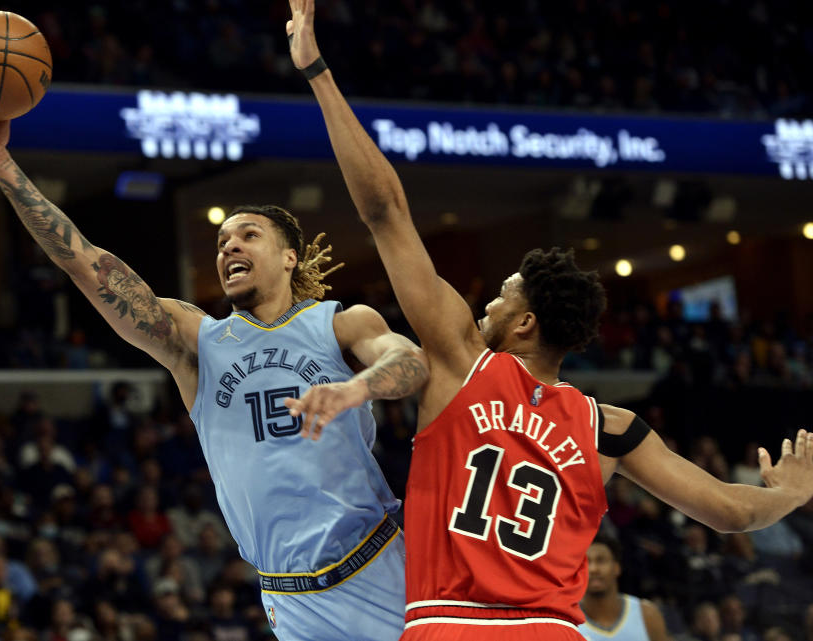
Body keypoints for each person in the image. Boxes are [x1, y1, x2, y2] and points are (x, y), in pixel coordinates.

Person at [281, 1, 813, 638]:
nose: (487, 304)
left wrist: (316, 71)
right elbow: (729, 510)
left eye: (502, 296)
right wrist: (792, 495)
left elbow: (385, 212)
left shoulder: (460, 362)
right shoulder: (608, 428)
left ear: (526, 321)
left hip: (451, 625)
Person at [0, 53, 428, 640]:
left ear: (290, 256)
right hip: (288, 597)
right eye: (221, 240)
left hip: (378, 566)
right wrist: (0, 164)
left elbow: (412, 361)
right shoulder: (196, 340)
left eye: (249, 235)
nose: (228, 247)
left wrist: (358, 387)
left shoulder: (338, 324)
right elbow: (89, 265)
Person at [578, 535, 671, 641]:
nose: (593, 569)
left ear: (617, 568)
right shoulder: (566, 621)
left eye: (601, 560)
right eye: (586, 562)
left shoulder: (647, 614)